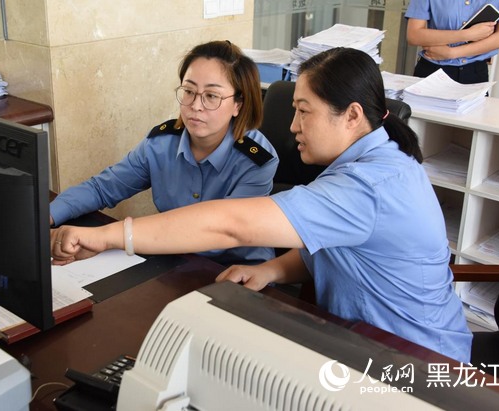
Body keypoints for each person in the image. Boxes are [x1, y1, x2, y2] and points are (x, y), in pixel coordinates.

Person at [50, 47, 472, 363]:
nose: (292, 126)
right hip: (357, 339)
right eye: (189, 92)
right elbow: (333, 250)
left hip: (412, 360)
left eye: (304, 112)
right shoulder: (363, 162)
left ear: (352, 115)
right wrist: (269, 269)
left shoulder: (370, 184)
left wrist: (108, 235)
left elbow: (232, 226)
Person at [50, 40, 278, 266]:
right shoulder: (161, 143)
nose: (196, 106)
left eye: (211, 96)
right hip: (177, 264)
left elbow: (219, 232)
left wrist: (109, 237)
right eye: (189, 91)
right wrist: (45, 217)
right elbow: (103, 188)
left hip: (239, 274)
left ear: (238, 104)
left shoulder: (256, 161)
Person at [406, 0, 499, 84]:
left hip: (475, 73)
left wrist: (452, 53)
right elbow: (414, 35)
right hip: (432, 70)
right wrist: (468, 34)